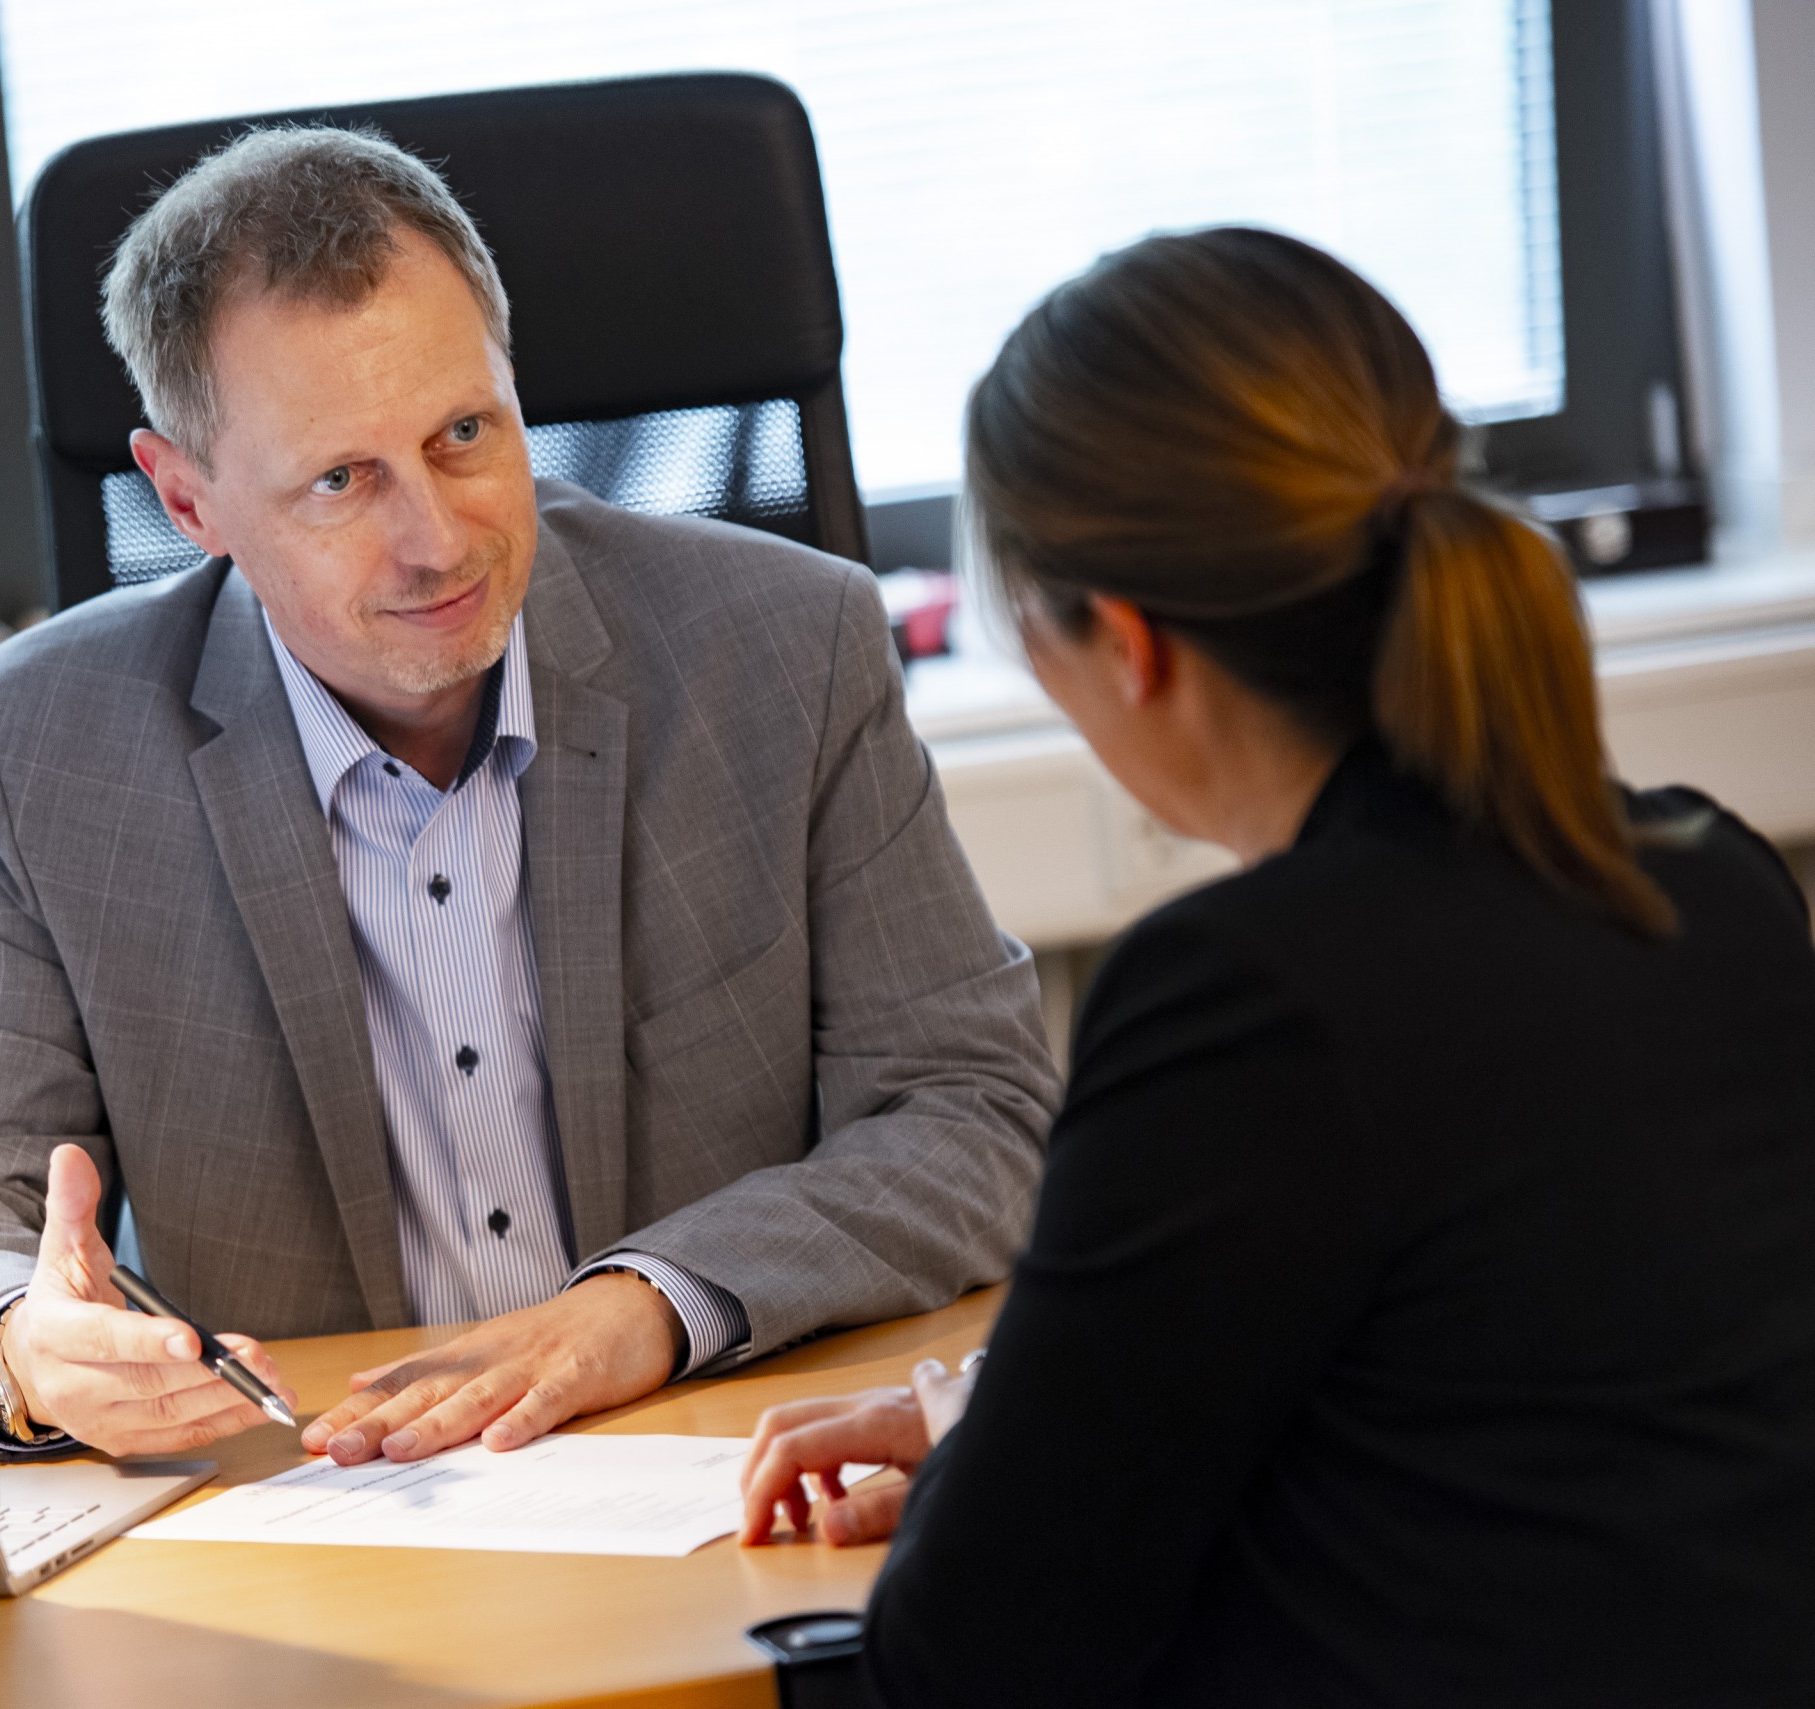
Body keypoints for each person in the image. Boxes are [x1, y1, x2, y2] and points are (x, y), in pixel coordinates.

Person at [0, 126, 1058, 1470]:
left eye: (464, 435)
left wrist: (650, 1304)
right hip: (323, 1501)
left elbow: (977, 1113)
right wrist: (22, 1349)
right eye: (341, 480)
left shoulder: (787, 646)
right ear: (189, 502)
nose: (437, 542)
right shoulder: (49, 741)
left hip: (712, 1452)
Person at [739, 227, 1815, 1705]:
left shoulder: (1252, 1000)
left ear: (1129, 644)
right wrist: (1008, 1424)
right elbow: (1487, 1385)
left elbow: (969, 1662)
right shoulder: (1710, 877)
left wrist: (995, 1475)